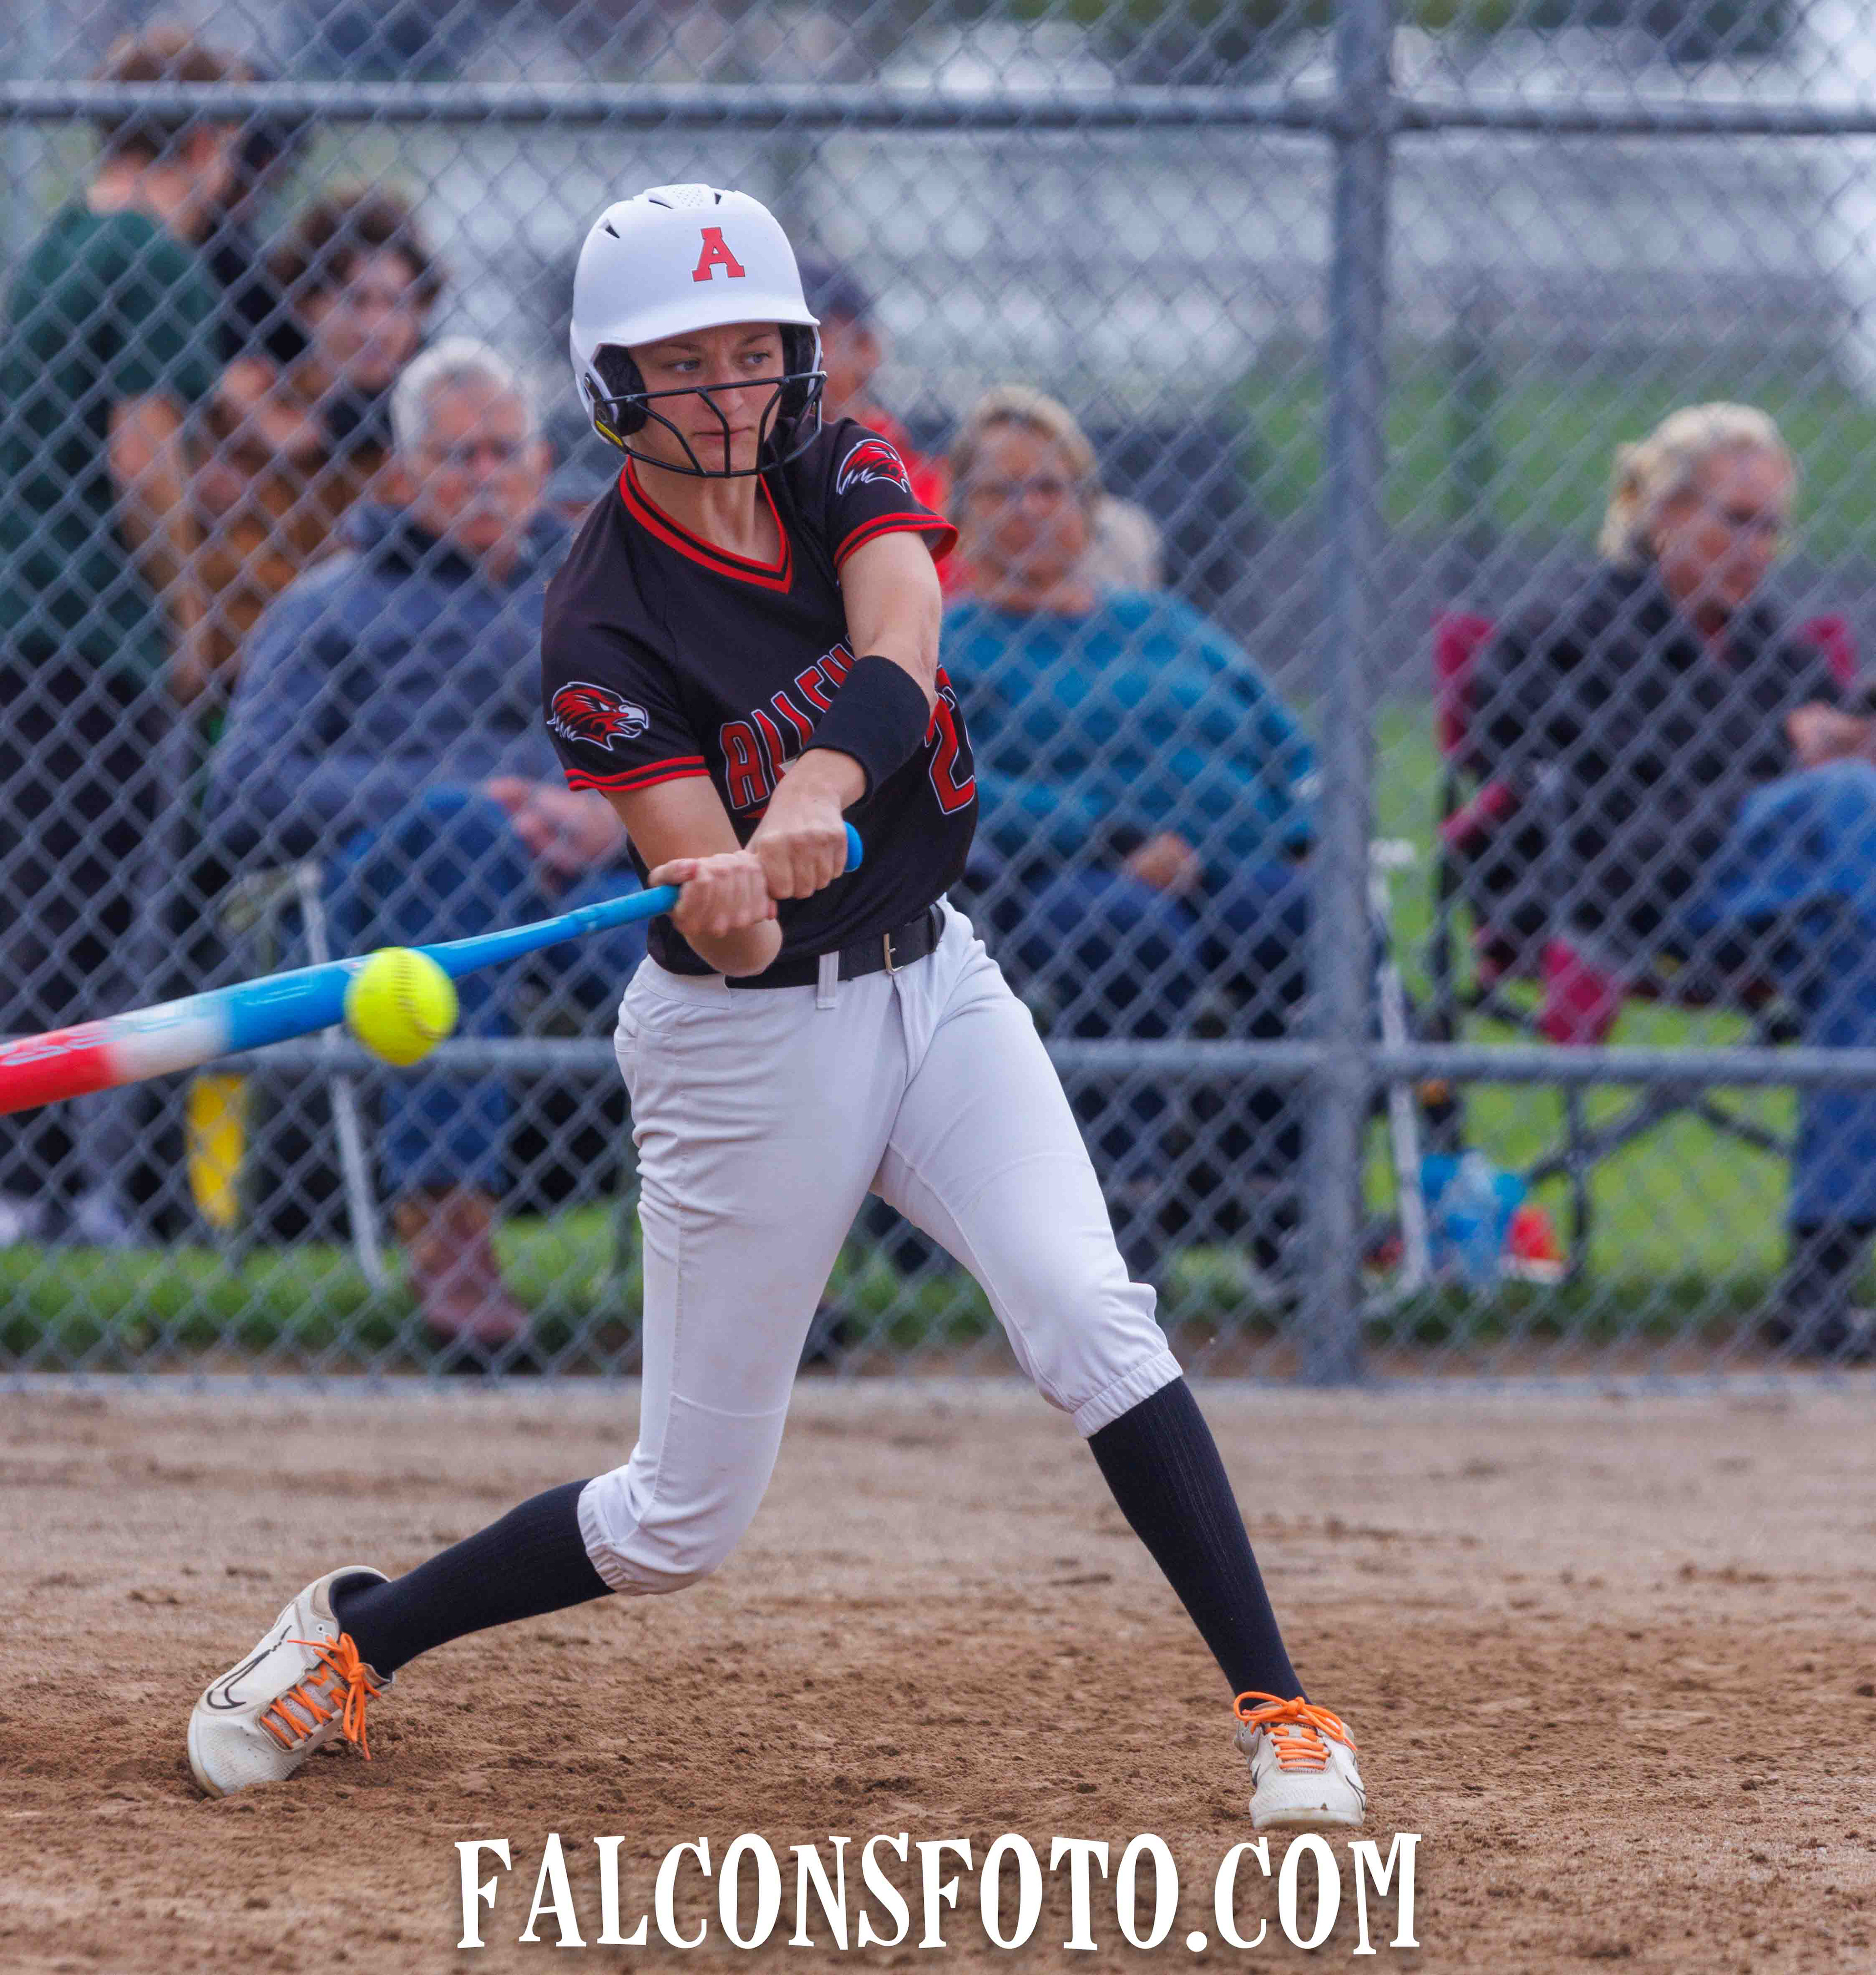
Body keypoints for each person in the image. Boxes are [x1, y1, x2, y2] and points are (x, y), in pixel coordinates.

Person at [186, 185, 1367, 1833]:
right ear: (612, 382)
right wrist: (728, 887)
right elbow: (732, 944)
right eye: (689, 364)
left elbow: (904, 637)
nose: (734, 392)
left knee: (1091, 1318)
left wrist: (813, 789)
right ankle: (355, 1636)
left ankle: (1284, 1712)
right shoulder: (598, 619)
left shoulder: (842, 460)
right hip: (746, 1046)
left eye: (757, 352)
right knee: (677, 1521)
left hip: (937, 984)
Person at [212, 339, 643, 1353]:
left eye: (504, 452)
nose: (485, 476)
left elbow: (685, 747)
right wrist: (461, 798)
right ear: (404, 475)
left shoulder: (600, 599)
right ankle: (450, 1232)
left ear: (542, 464)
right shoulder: (326, 606)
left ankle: (748, 1260)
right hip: (388, 905)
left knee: (718, 937)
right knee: (460, 832)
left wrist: (614, 810)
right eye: (457, 457)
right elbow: (241, 796)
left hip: (576, 889)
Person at [1469, 403, 1874, 1355]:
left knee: (1864, 949)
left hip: (1768, 905)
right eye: (1735, 520)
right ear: (1662, 512)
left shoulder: (1776, 650)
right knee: (1850, 802)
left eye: (1770, 527)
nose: (1755, 547)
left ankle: (1817, 1283)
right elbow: (1563, 760)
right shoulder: (1568, 630)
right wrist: (1783, 748)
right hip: (1625, 887)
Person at [943, 385, 1317, 1273]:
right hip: (1064, 876)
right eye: (1002, 491)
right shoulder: (953, 644)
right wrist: (1108, 836)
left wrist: (1310, 834)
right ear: (961, 513)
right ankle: (1124, 1202)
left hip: (1241, 861)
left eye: (1051, 487)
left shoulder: (1168, 624)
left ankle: (1285, 1201)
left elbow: (1288, 744)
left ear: (1088, 505)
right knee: (1125, 930)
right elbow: (946, 780)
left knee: (1303, 918)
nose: (1030, 509)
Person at [0, 27, 242, 1249]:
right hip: (92, 628)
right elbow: (144, 454)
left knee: (39, 901)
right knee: (78, 914)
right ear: (203, 140)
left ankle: (43, 1184)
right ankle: (32, 1187)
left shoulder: (59, 241)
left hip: (24, 613)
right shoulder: (154, 256)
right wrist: (190, 612)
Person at [192, 187, 442, 693]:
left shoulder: (435, 431)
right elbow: (229, 591)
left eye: (398, 303)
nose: (377, 327)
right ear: (308, 305)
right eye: (356, 301)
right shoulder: (248, 414)